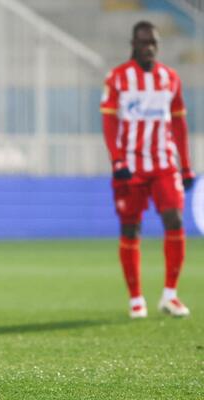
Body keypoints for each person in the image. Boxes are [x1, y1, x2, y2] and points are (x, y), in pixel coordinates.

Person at [100, 21, 196, 319]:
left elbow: (179, 124)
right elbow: (109, 122)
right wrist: (116, 159)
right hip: (130, 166)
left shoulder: (170, 78)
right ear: (133, 44)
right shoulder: (117, 78)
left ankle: (170, 295)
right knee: (131, 228)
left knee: (175, 218)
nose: (150, 48)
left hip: (164, 163)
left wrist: (186, 165)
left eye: (154, 42)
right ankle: (136, 299)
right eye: (144, 43)